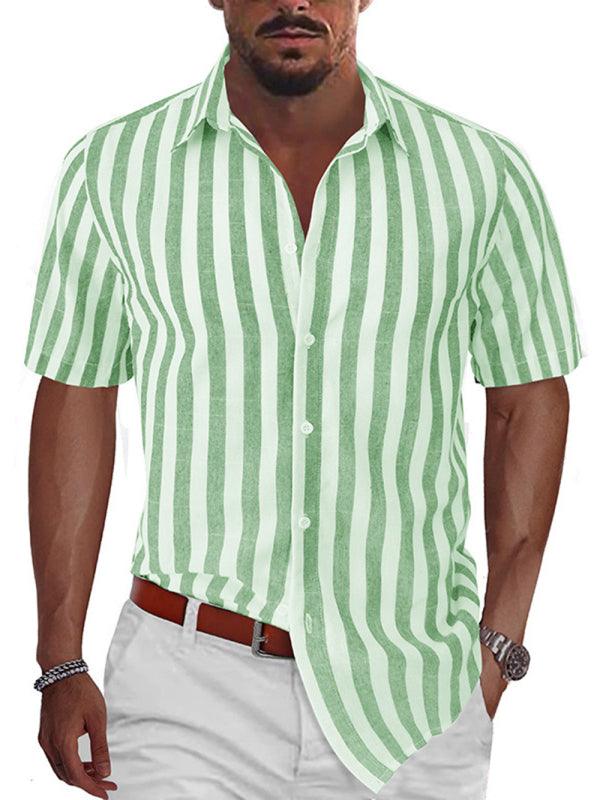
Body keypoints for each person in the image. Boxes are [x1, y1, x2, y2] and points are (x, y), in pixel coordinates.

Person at [24, 1, 584, 799]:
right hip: (185, 688)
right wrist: (60, 659)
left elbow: (527, 397)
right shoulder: (114, 169)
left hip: (411, 694)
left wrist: (498, 647)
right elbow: (77, 389)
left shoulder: (479, 174)